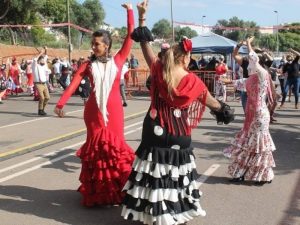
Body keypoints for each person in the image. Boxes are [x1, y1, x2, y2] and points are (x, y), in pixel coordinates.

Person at [121, 1, 234, 224]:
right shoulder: (195, 82)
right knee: (176, 176)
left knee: (153, 174)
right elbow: (215, 105)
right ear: (186, 58)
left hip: (154, 131)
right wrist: (224, 111)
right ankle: (173, 213)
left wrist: (142, 17)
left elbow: (145, 44)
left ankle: (152, 215)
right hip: (179, 135)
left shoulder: (158, 69)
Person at [54, 3, 135, 207]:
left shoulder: (118, 60)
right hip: (93, 113)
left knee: (115, 150)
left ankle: (117, 188)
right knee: (97, 151)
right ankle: (99, 193)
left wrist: (130, 12)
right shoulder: (88, 65)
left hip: (115, 112)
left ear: (106, 45)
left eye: (97, 43)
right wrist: (61, 103)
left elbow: (130, 36)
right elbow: (73, 85)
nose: (94, 47)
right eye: (92, 43)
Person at [223, 36, 276, 184]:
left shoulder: (262, 75)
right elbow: (240, 82)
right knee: (251, 146)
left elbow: (253, 58)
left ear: (257, 63)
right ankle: (243, 173)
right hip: (253, 115)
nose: (247, 65)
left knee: (257, 146)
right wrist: (226, 81)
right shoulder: (252, 78)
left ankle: (260, 175)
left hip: (259, 115)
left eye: (251, 63)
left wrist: (248, 44)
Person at [32, 46, 50, 116]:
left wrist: (46, 50)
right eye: (42, 60)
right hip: (38, 83)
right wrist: (40, 53)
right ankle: (40, 110)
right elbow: (35, 59)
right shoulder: (35, 66)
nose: (43, 61)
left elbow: (46, 56)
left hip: (44, 83)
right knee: (42, 97)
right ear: (39, 61)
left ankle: (42, 109)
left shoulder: (44, 66)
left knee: (47, 97)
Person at [233, 42, 249, 112]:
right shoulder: (246, 60)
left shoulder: (259, 61)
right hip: (247, 87)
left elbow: (234, 54)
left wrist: (239, 45)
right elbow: (235, 55)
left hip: (253, 87)